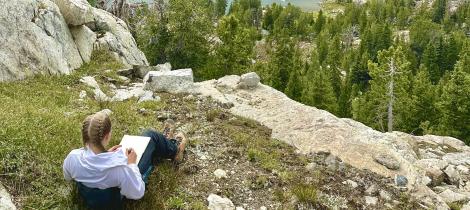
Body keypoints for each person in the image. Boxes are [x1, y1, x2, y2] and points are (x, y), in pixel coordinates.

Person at [63, 111, 187, 209]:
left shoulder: (73, 157)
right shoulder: (121, 168)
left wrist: (104, 155)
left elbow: (68, 177)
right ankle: (175, 150)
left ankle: (164, 142)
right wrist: (132, 164)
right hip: (117, 198)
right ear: (107, 136)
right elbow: (137, 192)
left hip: (94, 198)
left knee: (147, 141)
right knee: (149, 136)